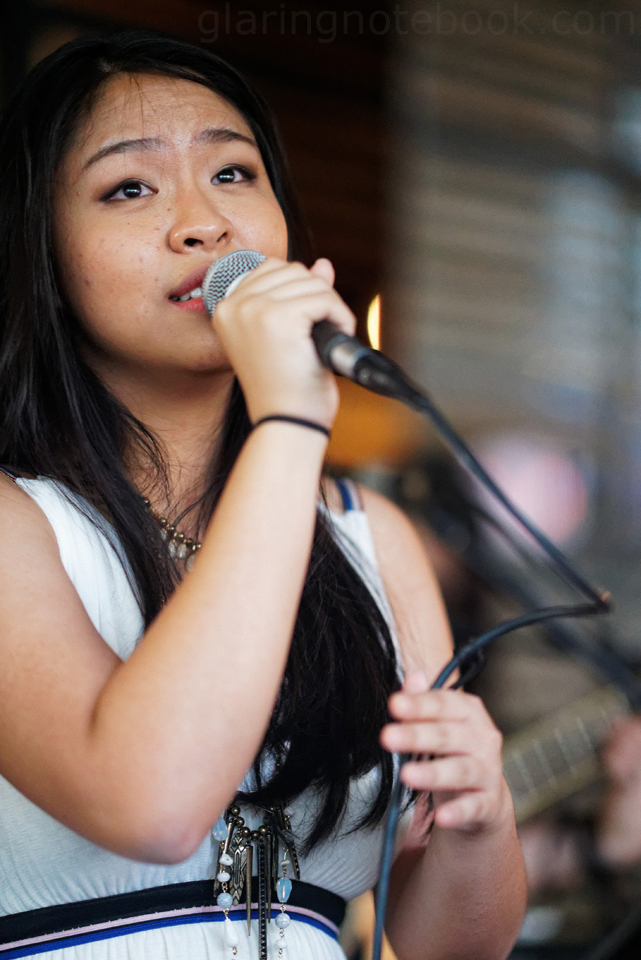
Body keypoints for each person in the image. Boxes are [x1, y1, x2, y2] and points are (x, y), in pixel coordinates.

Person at [0, 31, 526, 960]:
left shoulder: (371, 538)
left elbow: (445, 946)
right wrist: (288, 415)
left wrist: (480, 820)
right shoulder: (18, 523)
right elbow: (151, 804)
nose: (203, 224)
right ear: (40, 250)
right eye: (129, 188)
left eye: (233, 174)